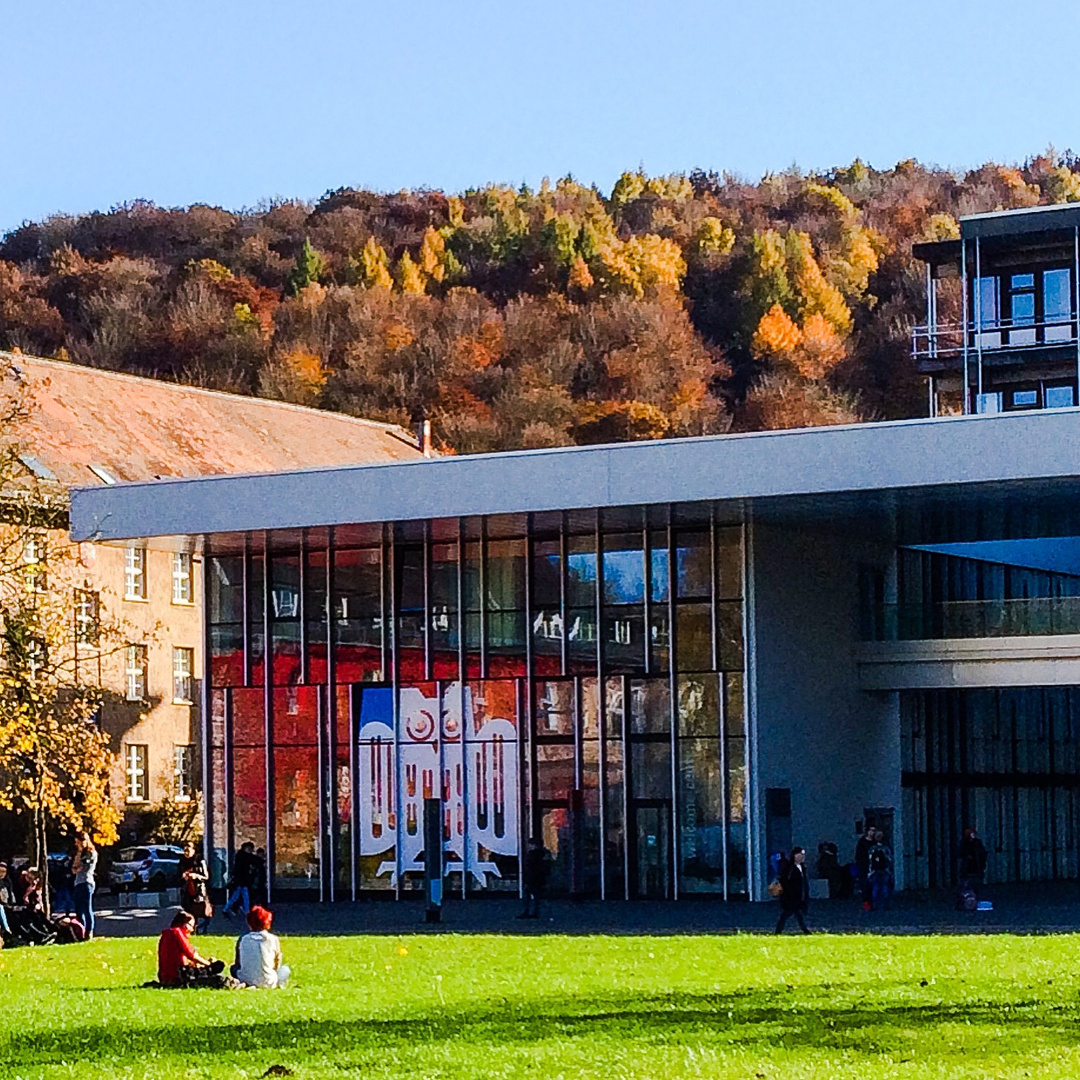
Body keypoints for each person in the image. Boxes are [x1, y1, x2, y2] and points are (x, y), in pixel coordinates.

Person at [158, 911, 226, 987]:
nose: (192, 930)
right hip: (178, 976)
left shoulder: (166, 934)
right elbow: (191, 954)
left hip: (164, 976)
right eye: (191, 925)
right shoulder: (177, 932)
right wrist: (209, 964)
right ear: (184, 924)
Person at [231, 906, 290, 988]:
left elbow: (238, 962)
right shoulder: (273, 939)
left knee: (233, 968)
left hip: (244, 979)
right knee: (285, 969)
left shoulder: (243, 939)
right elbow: (277, 963)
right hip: (268, 982)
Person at [775, 847, 811, 934]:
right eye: (800, 854)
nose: (802, 857)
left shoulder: (802, 867)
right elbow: (784, 880)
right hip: (791, 896)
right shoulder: (789, 867)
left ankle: (779, 931)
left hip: (798, 896)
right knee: (793, 913)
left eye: (803, 855)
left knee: (792, 914)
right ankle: (805, 931)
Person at [179, 842, 213, 934]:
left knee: (203, 911)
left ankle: (203, 928)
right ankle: (192, 929)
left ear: (194, 850)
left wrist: (196, 876)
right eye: (185, 850)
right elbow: (178, 875)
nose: (186, 853)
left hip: (199, 890)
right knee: (189, 910)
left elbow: (206, 876)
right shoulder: (182, 861)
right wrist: (184, 876)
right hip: (187, 890)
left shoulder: (200, 861)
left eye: (188, 850)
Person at [72, 832, 98, 940]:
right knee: (78, 909)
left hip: (87, 882)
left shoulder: (91, 853)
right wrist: (78, 852)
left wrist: (77, 868)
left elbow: (83, 867)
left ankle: (89, 932)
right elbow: (74, 868)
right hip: (78, 882)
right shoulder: (81, 853)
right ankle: (80, 931)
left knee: (87, 908)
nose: (77, 844)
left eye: (78, 842)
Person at [518, 838, 551, 919]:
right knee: (536, 896)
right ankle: (535, 912)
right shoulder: (543, 854)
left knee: (528, 895)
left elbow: (530, 867)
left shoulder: (532, 854)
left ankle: (528, 911)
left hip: (533, 878)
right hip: (538, 878)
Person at [223, 841, 257, 918]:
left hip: (241, 881)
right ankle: (246, 911)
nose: (250, 850)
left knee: (240, 896)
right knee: (241, 896)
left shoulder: (241, 856)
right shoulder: (243, 857)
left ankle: (227, 909)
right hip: (241, 881)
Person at [957, 826, 988, 899]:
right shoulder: (964, 843)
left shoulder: (977, 842)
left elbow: (982, 853)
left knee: (975, 883)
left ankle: (974, 897)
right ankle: (966, 898)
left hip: (976, 866)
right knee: (966, 883)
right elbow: (960, 853)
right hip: (968, 867)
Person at [867, 829, 893, 911]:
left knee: (875, 887)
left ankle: (875, 904)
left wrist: (869, 872)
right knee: (885, 886)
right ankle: (886, 905)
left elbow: (870, 861)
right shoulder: (885, 848)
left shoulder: (872, 848)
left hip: (875, 870)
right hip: (884, 870)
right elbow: (889, 859)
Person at [854, 825, 876, 911]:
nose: (872, 832)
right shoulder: (862, 842)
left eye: (874, 831)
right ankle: (867, 904)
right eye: (871, 830)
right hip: (864, 867)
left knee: (874, 886)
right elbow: (858, 856)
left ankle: (874, 903)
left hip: (874, 867)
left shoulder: (874, 842)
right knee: (865, 887)